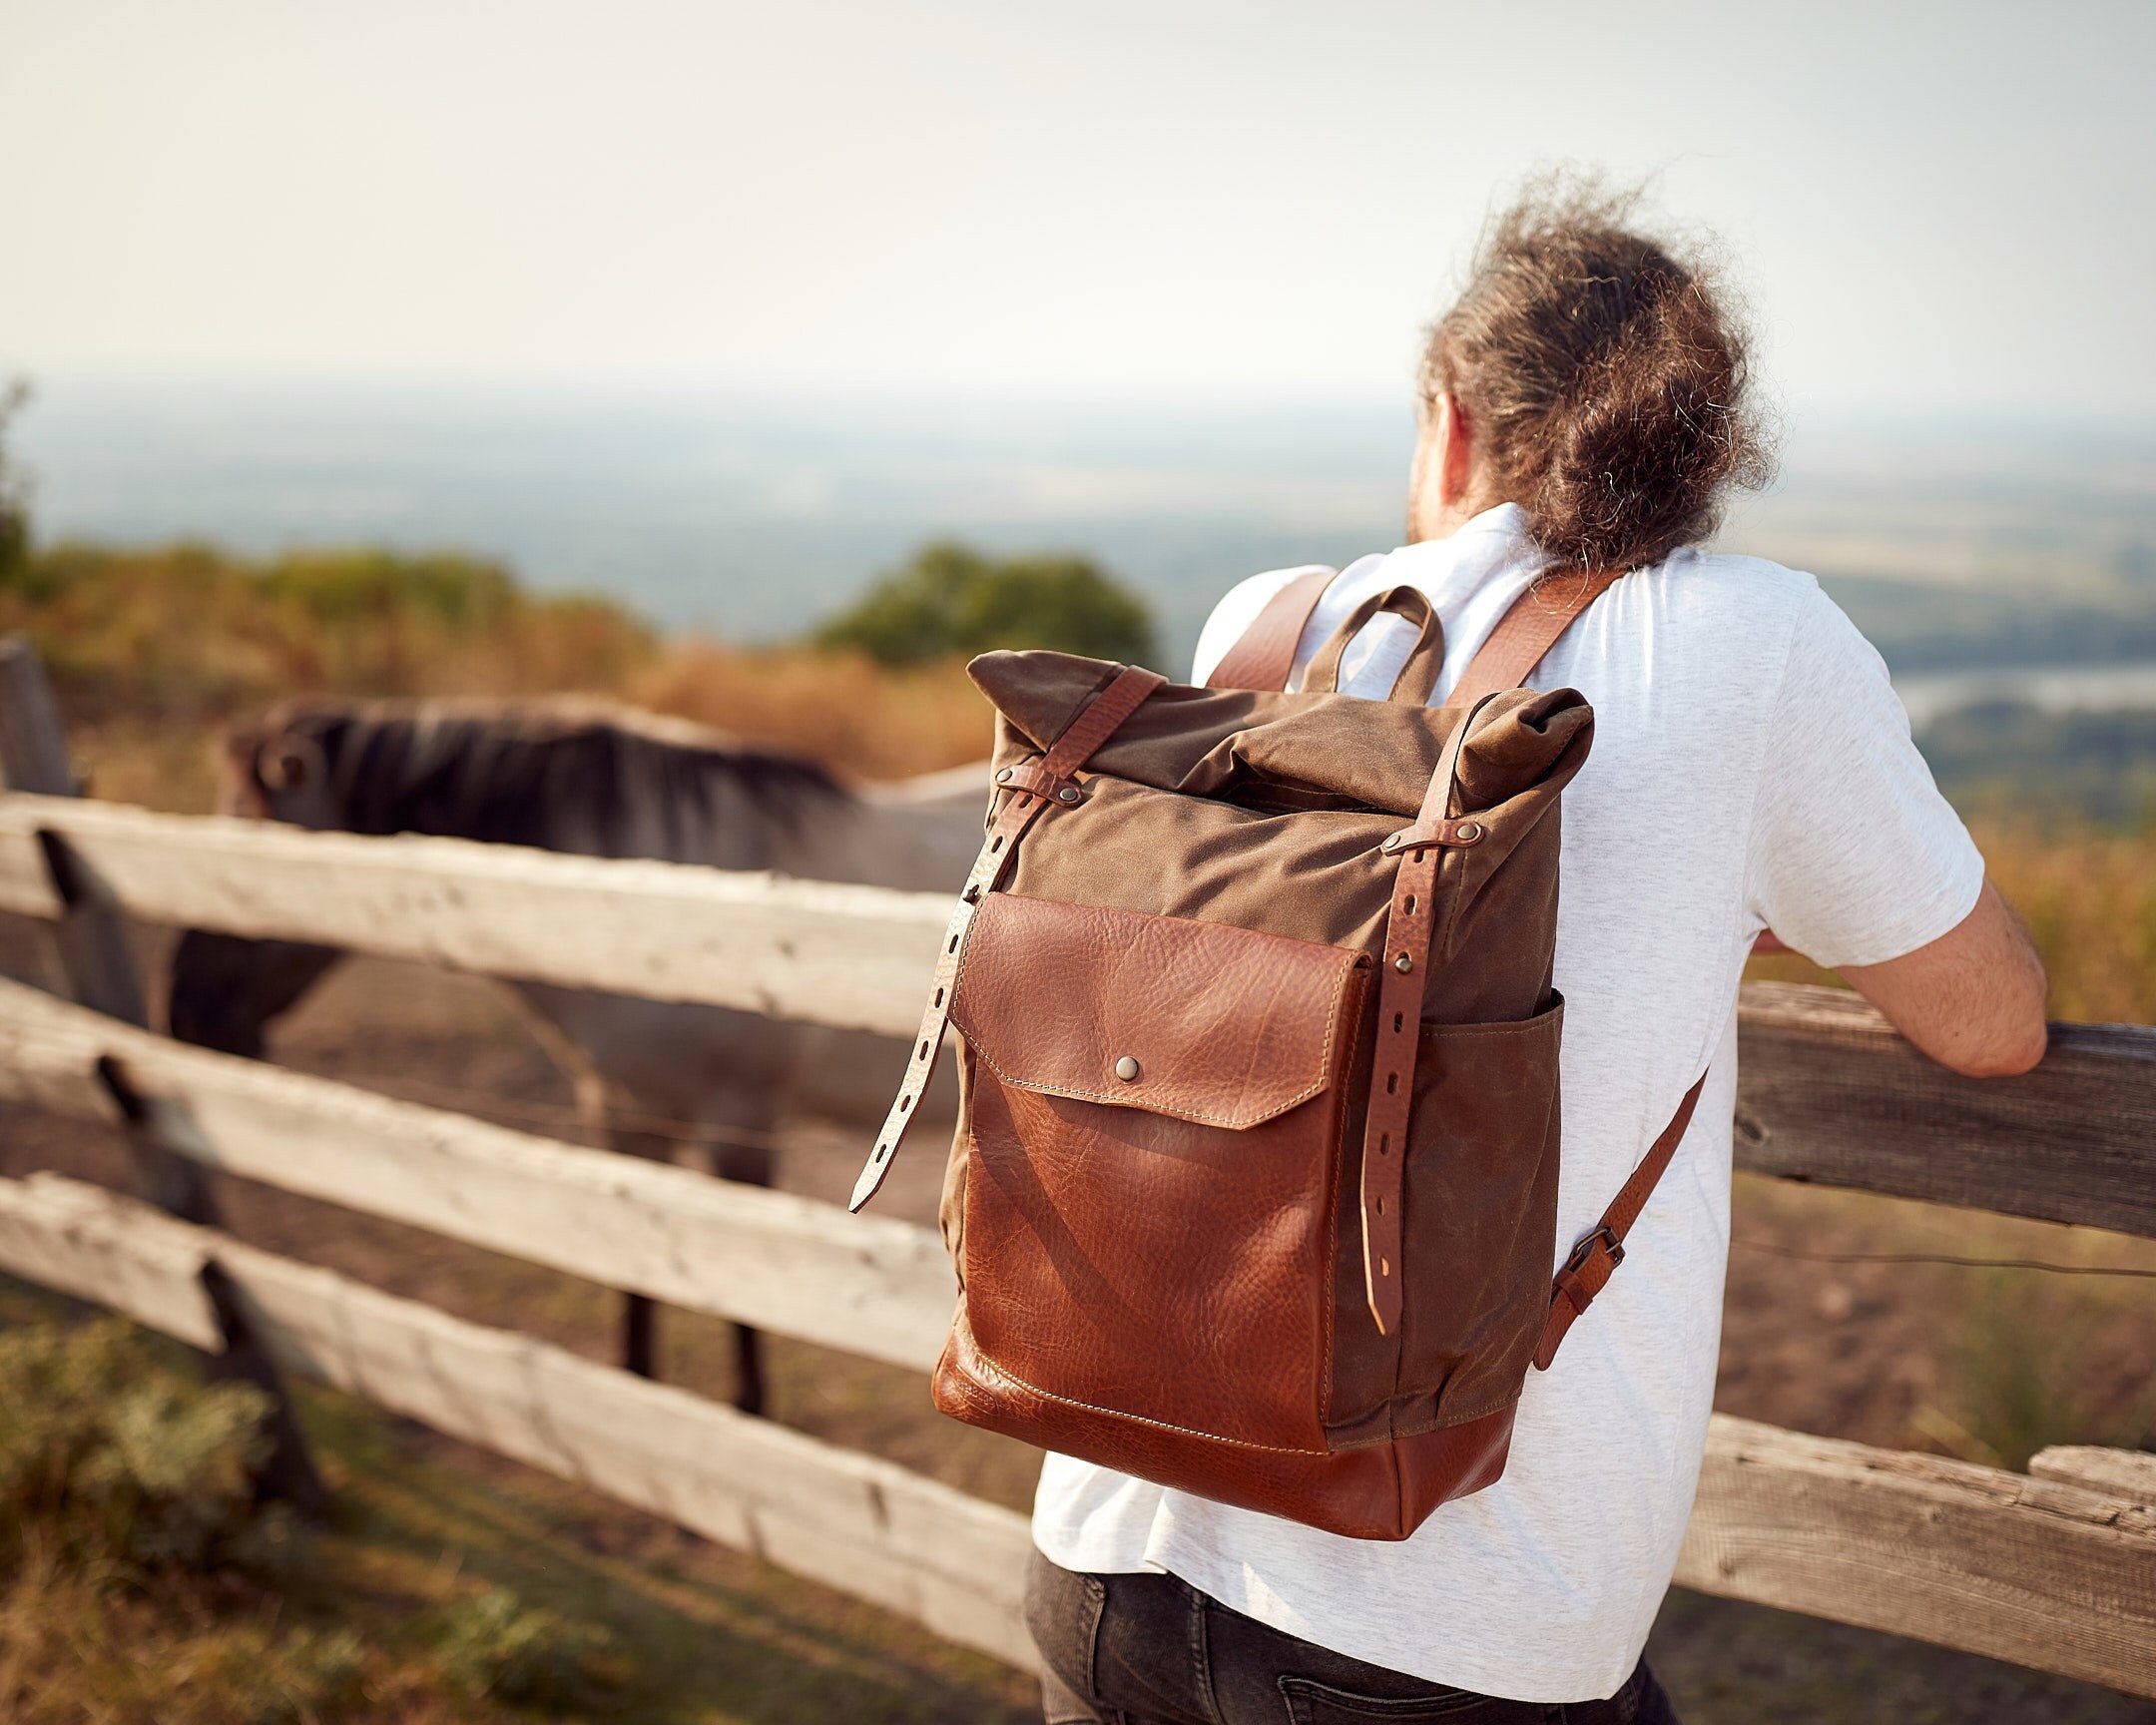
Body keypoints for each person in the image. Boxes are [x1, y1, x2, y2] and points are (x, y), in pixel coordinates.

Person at [1021, 179, 2050, 1723]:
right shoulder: (1757, 648)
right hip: (1451, 1617)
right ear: (1698, 463)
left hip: (1105, 1548)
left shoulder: (1272, 632)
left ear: (1450, 423)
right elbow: (1993, 1022)